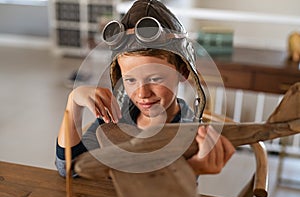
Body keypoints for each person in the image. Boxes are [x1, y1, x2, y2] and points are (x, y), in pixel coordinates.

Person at [55, 0, 235, 177]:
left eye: (155, 78)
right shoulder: (116, 118)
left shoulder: (190, 133)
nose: (142, 94)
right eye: (131, 80)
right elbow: (69, 168)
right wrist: (73, 105)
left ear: (183, 72)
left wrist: (193, 170)